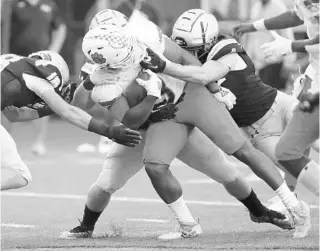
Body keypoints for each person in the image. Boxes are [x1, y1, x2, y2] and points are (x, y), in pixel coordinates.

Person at [60, 10, 289, 240]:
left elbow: (183, 58)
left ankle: (259, 211)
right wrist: (90, 82)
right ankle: (87, 226)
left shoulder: (147, 43)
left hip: (174, 118)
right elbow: (89, 107)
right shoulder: (97, 66)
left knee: (224, 170)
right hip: (138, 131)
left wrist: (214, 90)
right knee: (107, 182)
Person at [139, 9, 312, 238]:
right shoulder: (182, 50)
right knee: (301, 169)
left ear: (210, 39)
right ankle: (297, 208)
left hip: (280, 106)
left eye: (194, 47)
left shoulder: (225, 48)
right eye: (185, 47)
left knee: (310, 154)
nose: (189, 52)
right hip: (258, 131)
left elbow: (203, 75)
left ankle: (292, 202)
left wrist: (163, 66)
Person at [0, 51, 141, 191]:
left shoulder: (12, 65)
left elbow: (14, 115)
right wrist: (109, 132)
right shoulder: (40, 75)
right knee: (19, 173)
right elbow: (69, 112)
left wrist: (53, 106)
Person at [232, 0, 319, 209]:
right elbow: (296, 15)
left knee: (302, 135)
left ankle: (289, 194)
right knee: (298, 135)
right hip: (315, 71)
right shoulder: (307, 6)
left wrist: (289, 46)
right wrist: (253, 26)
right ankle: (289, 194)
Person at [8, 0, 67, 155]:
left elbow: (60, 28)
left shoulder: (50, 5)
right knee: (9, 101)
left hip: (40, 63)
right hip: (15, 61)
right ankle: (7, 143)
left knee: (42, 100)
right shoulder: (13, 4)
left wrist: (53, 51)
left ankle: (38, 143)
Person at [242, 0, 295, 90]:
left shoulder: (279, 8)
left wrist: (288, 63)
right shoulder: (255, 8)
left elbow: (287, 36)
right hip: (259, 65)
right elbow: (252, 37)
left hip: (274, 65)